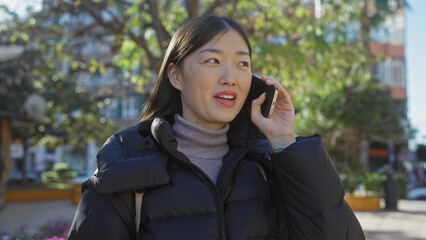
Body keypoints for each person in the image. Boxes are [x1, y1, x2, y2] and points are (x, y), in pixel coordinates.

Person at [68, 15, 365, 240]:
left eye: (242, 64)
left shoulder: (267, 164)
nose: (230, 77)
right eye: (213, 60)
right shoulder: (123, 165)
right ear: (176, 76)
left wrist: (285, 141)